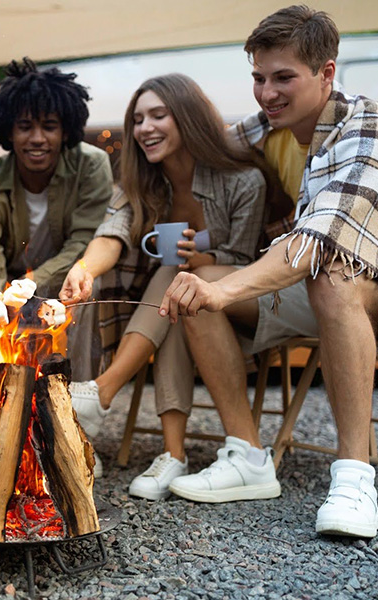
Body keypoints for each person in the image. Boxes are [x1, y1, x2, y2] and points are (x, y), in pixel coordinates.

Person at [160, 5, 378, 539]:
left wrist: (226, 289)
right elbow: (206, 150)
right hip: (312, 280)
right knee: (198, 280)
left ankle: (354, 479)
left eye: (283, 78)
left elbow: (318, 240)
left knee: (328, 274)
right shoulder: (267, 128)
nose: (267, 93)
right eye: (258, 78)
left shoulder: (375, 128)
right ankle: (248, 457)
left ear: (327, 73)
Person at [59, 74, 267, 501]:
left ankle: (104, 390)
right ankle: (173, 455)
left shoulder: (244, 181)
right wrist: (84, 268)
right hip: (182, 309)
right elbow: (112, 231)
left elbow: (245, 263)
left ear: (188, 117)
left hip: (241, 306)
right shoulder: (143, 182)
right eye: (137, 120)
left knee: (178, 276)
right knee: (179, 293)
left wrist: (204, 262)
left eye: (158, 115)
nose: (144, 128)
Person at [0, 58, 113, 477]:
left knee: (90, 285)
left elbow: (83, 244)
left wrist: (27, 299)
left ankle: (73, 434)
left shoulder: (91, 166)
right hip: (6, 288)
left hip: (62, 281)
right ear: (8, 131)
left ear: (66, 129)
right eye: (25, 126)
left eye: (49, 126)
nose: (37, 138)